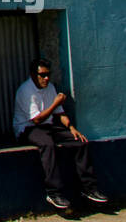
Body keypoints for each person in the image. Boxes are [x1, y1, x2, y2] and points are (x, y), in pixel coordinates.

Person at [13, 58, 108, 211]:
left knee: (80, 142)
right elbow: (37, 119)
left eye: (48, 74)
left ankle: (89, 189)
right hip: (27, 128)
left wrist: (71, 128)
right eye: (42, 75)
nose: (46, 78)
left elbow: (60, 113)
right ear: (32, 74)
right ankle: (54, 192)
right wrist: (55, 103)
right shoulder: (26, 91)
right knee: (47, 144)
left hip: (48, 126)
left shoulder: (50, 87)